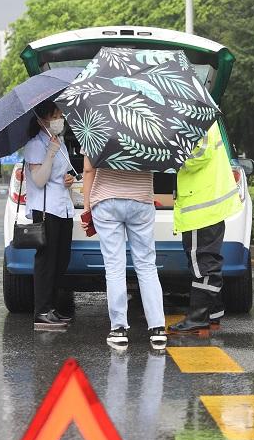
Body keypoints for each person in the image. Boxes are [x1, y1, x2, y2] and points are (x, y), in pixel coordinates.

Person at [82, 156, 167, 349]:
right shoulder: (152, 134)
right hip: (141, 199)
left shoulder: (97, 133)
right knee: (147, 265)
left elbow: (88, 169)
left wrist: (87, 207)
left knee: (114, 266)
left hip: (106, 200)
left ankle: (118, 330)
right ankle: (158, 329)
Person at [169, 121, 243, 334]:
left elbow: (199, 155)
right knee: (206, 260)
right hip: (208, 206)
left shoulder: (195, 119)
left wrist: (172, 156)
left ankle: (198, 318)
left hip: (200, 208)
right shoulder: (204, 118)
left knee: (203, 264)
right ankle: (213, 313)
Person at [23, 101, 77, 331]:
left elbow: (62, 175)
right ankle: (42, 311)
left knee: (61, 260)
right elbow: (39, 180)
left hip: (63, 208)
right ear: (41, 120)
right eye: (54, 116)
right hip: (46, 211)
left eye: (60, 115)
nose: (59, 120)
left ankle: (52, 308)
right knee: (46, 261)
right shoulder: (35, 145)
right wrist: (51, 153)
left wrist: (69, 179)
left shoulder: (60, 142)